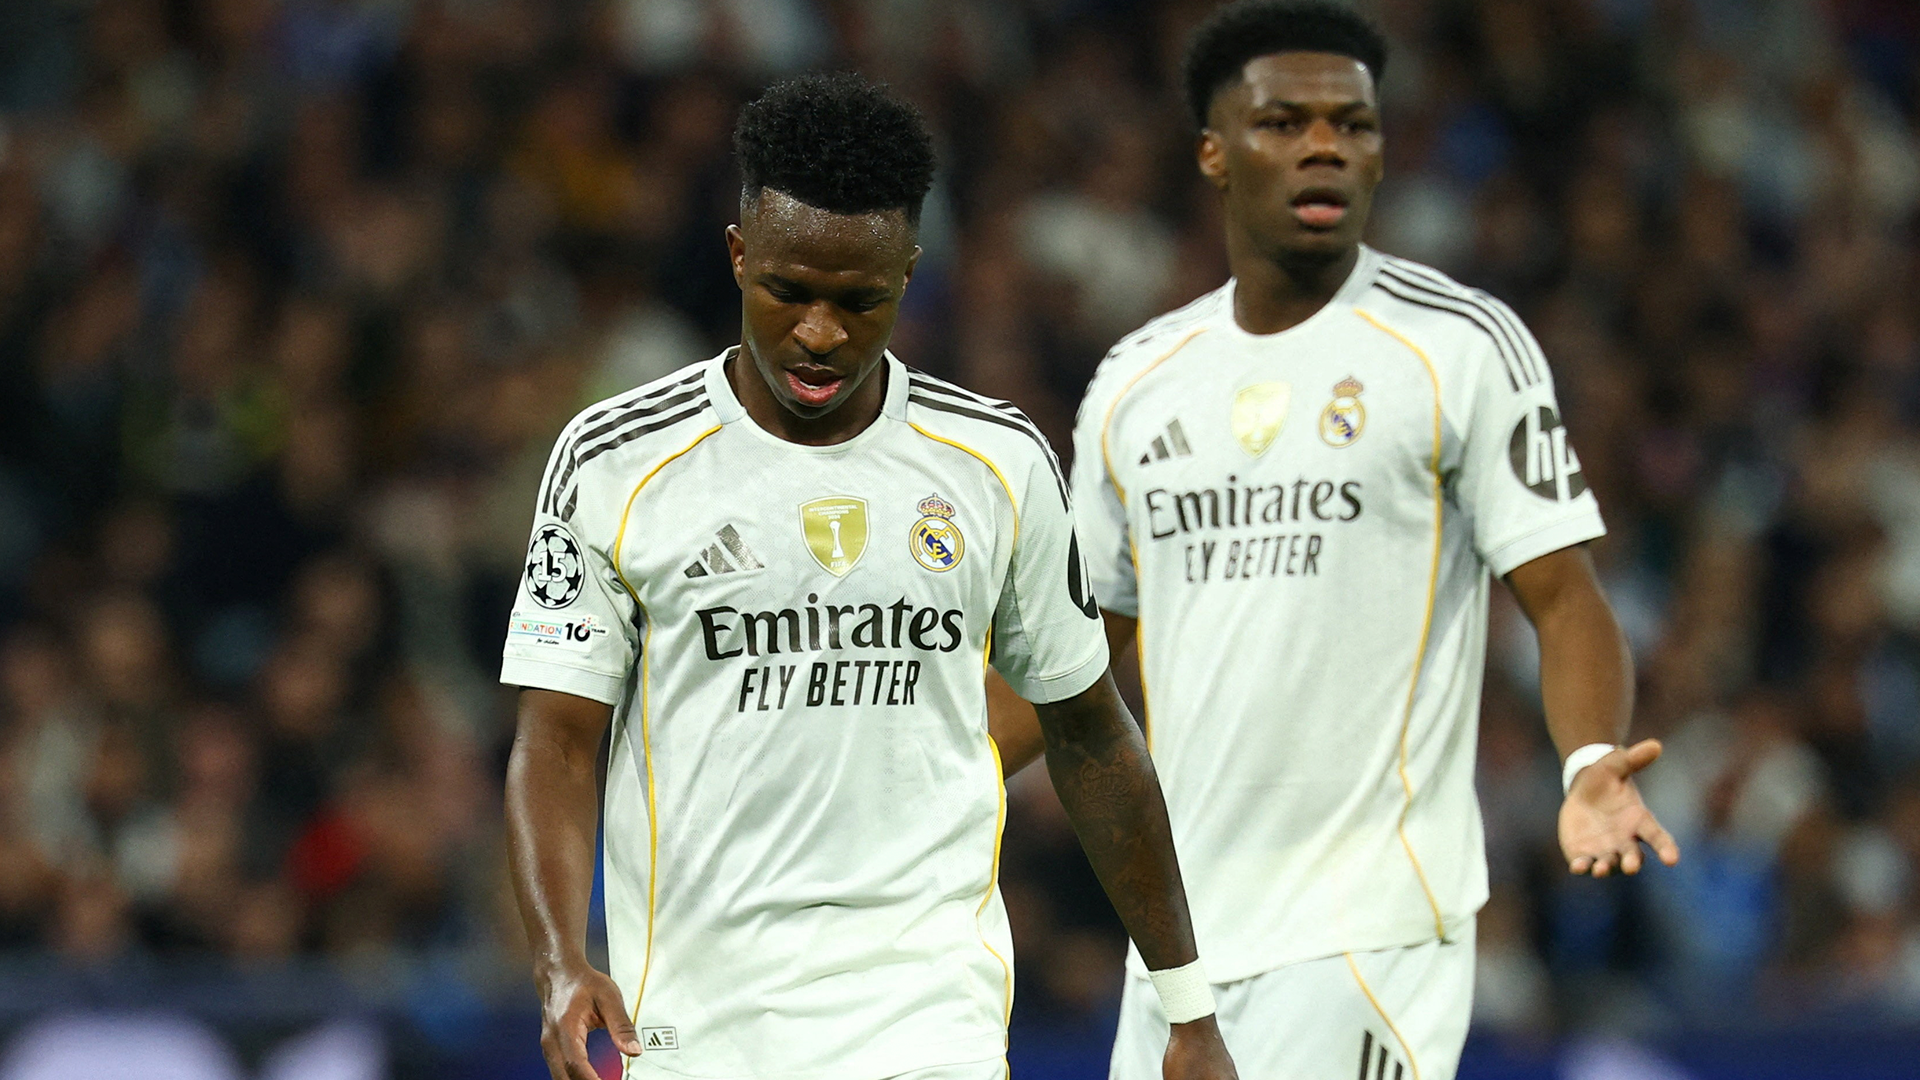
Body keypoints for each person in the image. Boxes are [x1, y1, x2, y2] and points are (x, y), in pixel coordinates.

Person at [986, 4, 1682, 1078]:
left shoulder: (1458, 347)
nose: (1324, 144)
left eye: (1352, 124)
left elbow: (1564, 592)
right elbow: (1082, 655)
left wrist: (1590, 762)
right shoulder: (1135, 384)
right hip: (1180, 942)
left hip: (1374, 926)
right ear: (1213, 153)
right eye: (1283, 121)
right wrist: (948, 779)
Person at [501, 73, 1238, 1080]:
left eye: (860, 300)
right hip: (695, 1028)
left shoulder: (997, 462)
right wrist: (556, 960)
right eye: (788, 292)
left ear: (909, 275)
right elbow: (556, 742)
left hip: (929, 1018)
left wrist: (1188, 1008)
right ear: (737, 255)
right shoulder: (614, 462)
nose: (819, 332)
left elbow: (1091, 731)